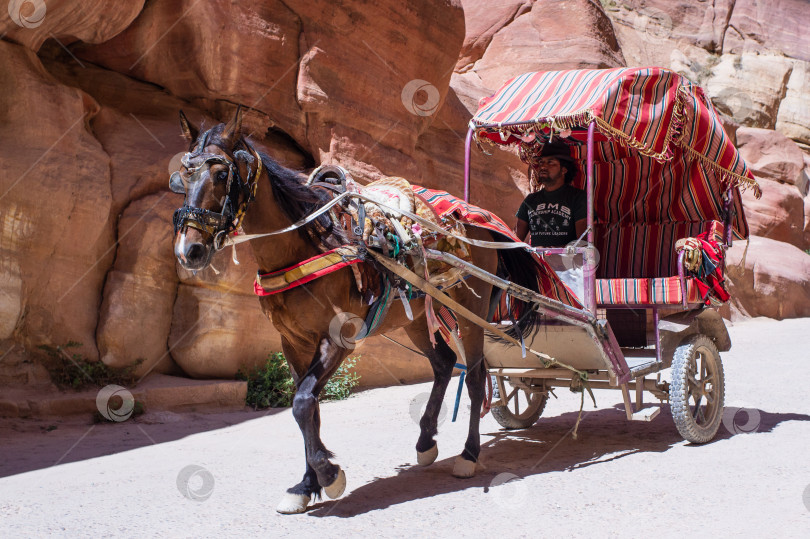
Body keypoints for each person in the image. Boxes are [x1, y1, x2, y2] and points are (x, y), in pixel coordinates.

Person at [514, 140, 586, 248]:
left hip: (567, 263)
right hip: (537, 263)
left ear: (564, 170)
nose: (543, 167)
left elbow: (583, 243)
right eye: (541, 162)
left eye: (550, 162)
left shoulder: (578, 198)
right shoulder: (530, 200)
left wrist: (550, 252)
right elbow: (516, 238)